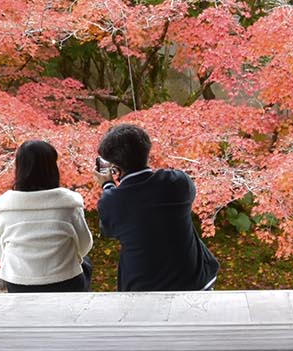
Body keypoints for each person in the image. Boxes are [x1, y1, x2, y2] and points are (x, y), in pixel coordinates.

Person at [94, 123, 220, 292]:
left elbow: (109, 229)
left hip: (144, 289)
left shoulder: (112, 201)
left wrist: (108, 185)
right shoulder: (179, 182)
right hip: (196, 281)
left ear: (115, 168)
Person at [0, 140, 93, 293]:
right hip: (65, 282)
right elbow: (85, 245)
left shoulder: (4, 207)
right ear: (52, 167)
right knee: (85, 263)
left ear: (19, 168)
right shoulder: (69, 205)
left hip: (19, 283)